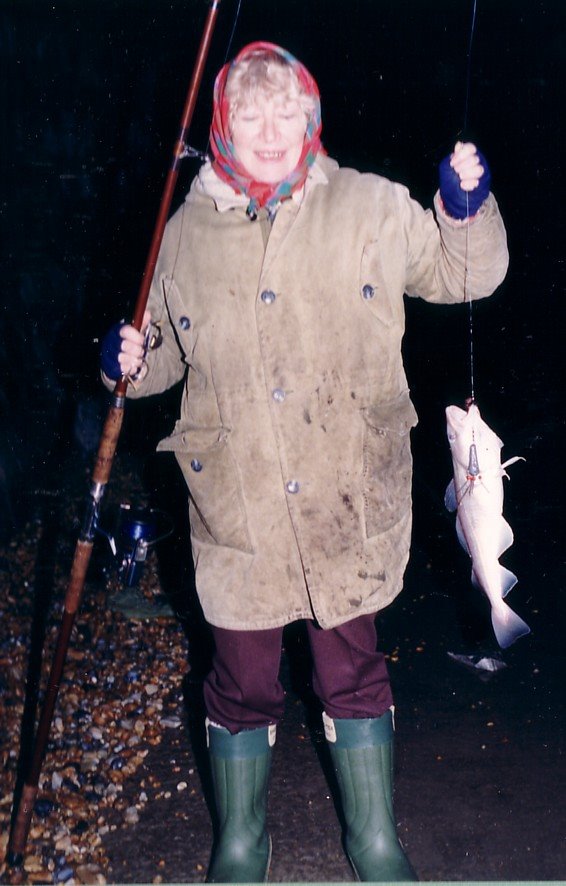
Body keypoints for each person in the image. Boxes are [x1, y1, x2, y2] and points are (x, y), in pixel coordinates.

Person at [101, 41, 508, 883]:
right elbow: (165, 365)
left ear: (311, 116)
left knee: (350, 670)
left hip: (344, 500)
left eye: (286, 109)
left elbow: (461, 275)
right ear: (222, 129)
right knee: (241, 682)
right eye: (248, 113)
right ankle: (242, 841)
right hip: (238, 512)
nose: (270, 128)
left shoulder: (368, 204)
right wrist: (124, 364)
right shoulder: (182, 235)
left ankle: (374, 840)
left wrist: (466, 209)